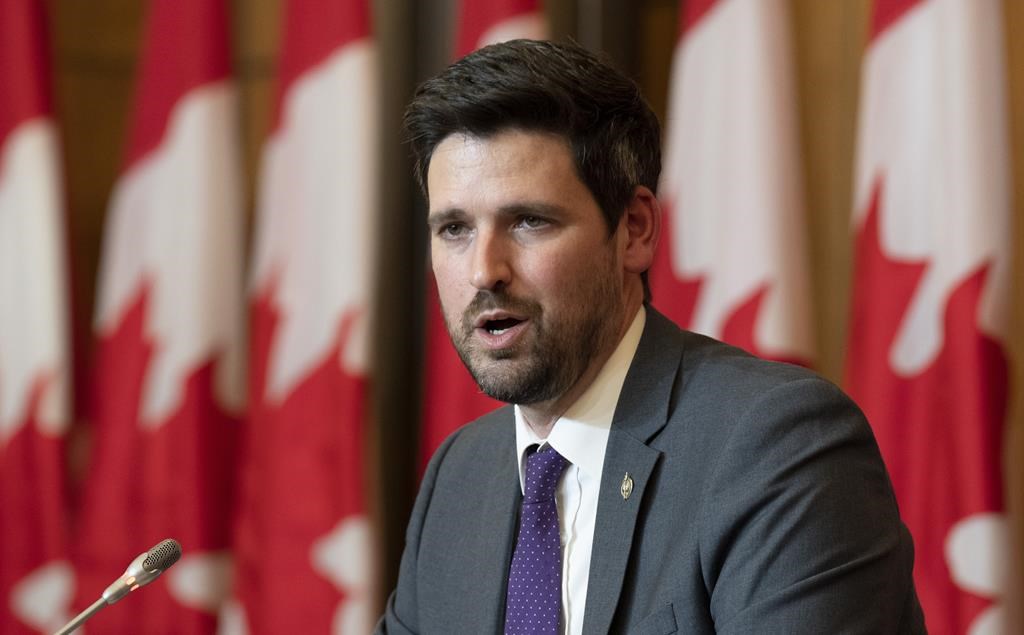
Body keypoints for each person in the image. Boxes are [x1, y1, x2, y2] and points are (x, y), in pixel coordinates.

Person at [377, 39, 925, 634]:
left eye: (530, 221)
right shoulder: (459, 476)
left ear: (634, 230)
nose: (485, 271)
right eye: (454, 229)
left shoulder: (777, 448)